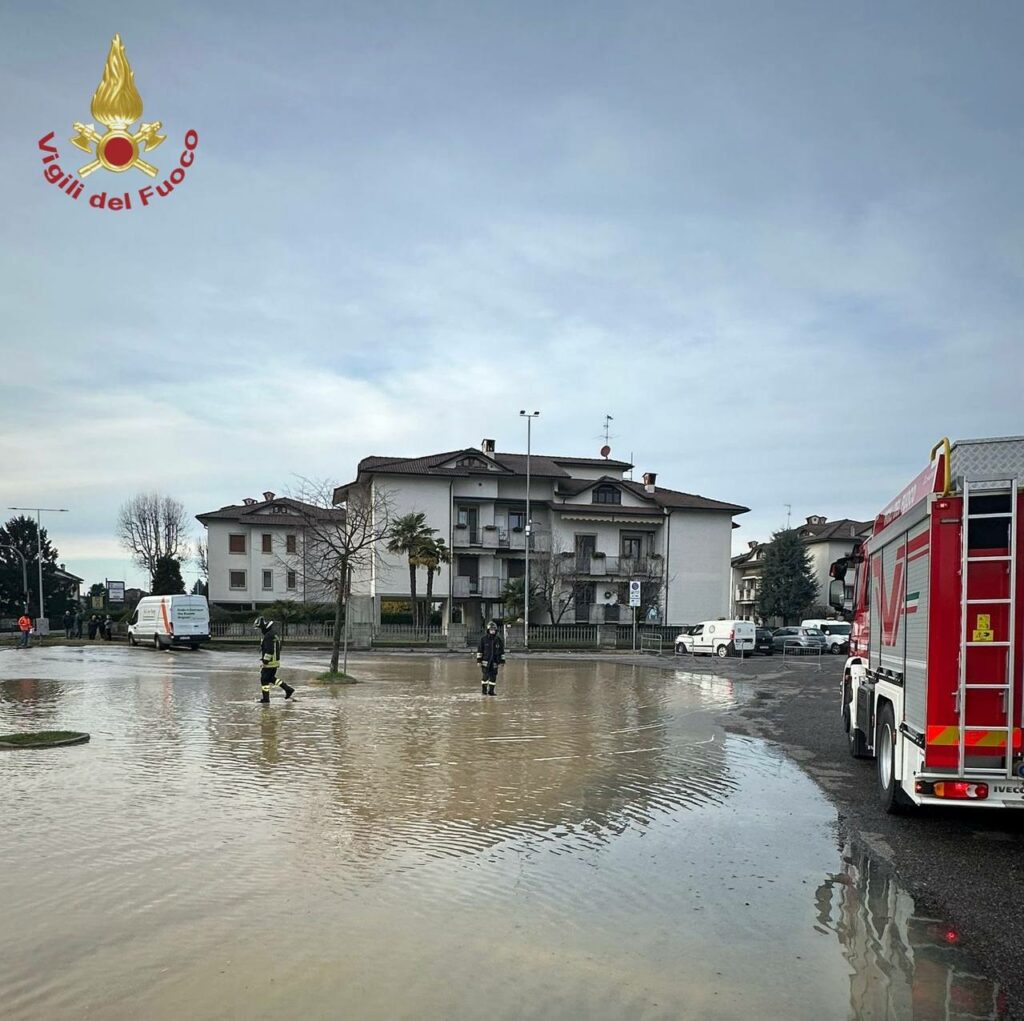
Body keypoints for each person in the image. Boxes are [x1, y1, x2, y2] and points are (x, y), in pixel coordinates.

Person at [254, 616, 294, 703]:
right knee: (270, 678)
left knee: (264, 679)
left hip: (270, 662)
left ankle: (266, 699)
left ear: (264, 627)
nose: (260, 630)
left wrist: (265, 661)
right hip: (275, 662)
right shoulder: (273, 634)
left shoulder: (268, 636)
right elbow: (277, 647)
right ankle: (288, 689)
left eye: (260, 628)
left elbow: (270, 650)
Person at [476, 620, 505, 696]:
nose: (492, 631)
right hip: (485, 661)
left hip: (495, 662)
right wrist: (479, 661)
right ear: (488, 630)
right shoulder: (483, 639)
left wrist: (502, 661)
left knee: (493, 677)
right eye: (491, 630)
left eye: (494, 630)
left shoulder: (498, 640)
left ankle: (491, 691)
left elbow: (502, 651)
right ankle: (484, 691)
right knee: (485, 677)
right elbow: (480, 650)